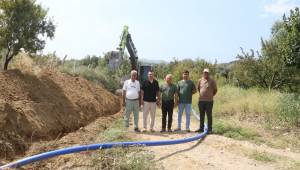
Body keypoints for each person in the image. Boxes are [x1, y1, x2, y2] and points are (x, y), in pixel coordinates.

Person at [195, 68, 217, 134]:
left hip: (209, 101)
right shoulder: (200, 80)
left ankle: (209, 129)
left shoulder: (212, 80)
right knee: (201, 115)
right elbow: (198, 89)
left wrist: (210, 95)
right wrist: (203, 94)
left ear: (208, 73)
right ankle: (201, 128)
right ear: (203, 73)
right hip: (201, 100)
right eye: (204, 72)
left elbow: (215, 90)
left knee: (209, 115)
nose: (206, 74)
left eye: (207, 72)